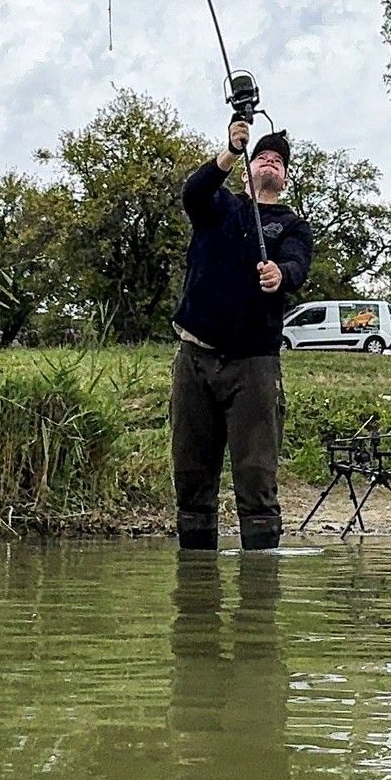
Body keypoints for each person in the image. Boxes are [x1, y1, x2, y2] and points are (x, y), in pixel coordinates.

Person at [169, 120, 313, 550]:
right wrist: (230, 151)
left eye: (279, 161)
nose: (270, 161)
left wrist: (279, 274)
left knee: (256, 478)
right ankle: (195, 594)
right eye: (263, 156)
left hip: (254, 364)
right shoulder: (218, 207)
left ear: (284, 180)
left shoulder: (292, 225)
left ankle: (260, 590)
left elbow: (298, 266)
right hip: (194, 357)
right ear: (248, 170)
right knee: (192, 476)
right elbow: (192, 192)